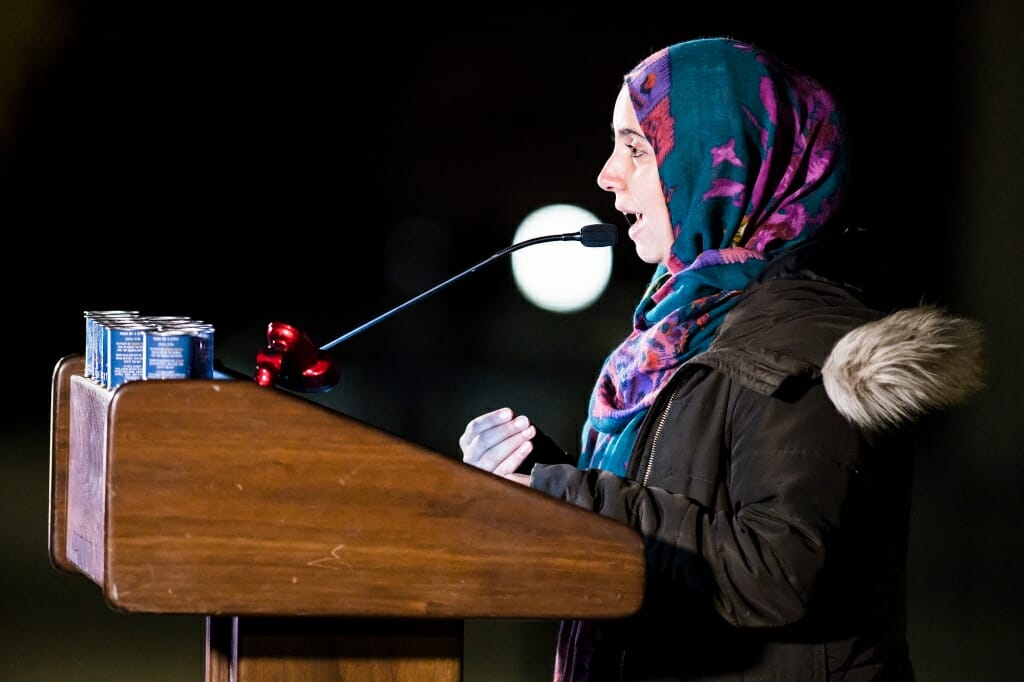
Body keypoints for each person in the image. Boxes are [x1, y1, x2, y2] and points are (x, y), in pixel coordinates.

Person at [459, 37, 985, 681]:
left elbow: (773, 571)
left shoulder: (806, 336)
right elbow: (677, 517)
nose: (606, 174)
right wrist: (539, 479)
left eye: (636, 148)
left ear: (719, 158)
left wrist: (567, 498)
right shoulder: (684, 326)